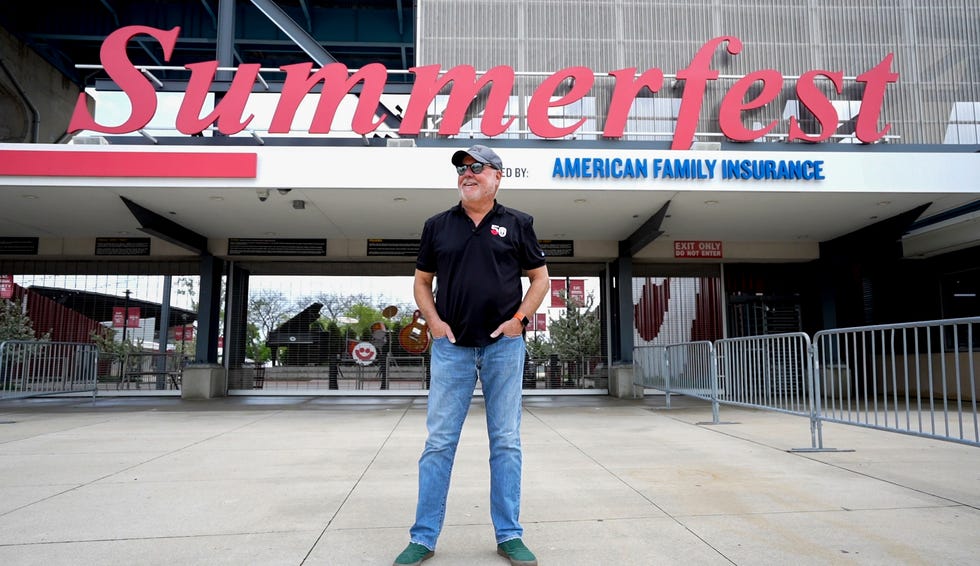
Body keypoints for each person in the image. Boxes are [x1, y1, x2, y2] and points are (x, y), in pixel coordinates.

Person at [393, 145, 549, 566]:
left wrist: (520, 319)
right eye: (462, 168)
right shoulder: (438, 226)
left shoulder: (518, 223)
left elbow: (539, 279)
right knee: (440, 443)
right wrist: (436, 325)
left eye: (476, 167)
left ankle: (509, 535)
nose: (467, 173)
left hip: (504, 347)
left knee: (506, 442)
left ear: (498, 176)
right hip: (452, 350)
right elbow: (422, 283)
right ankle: (423, 537)